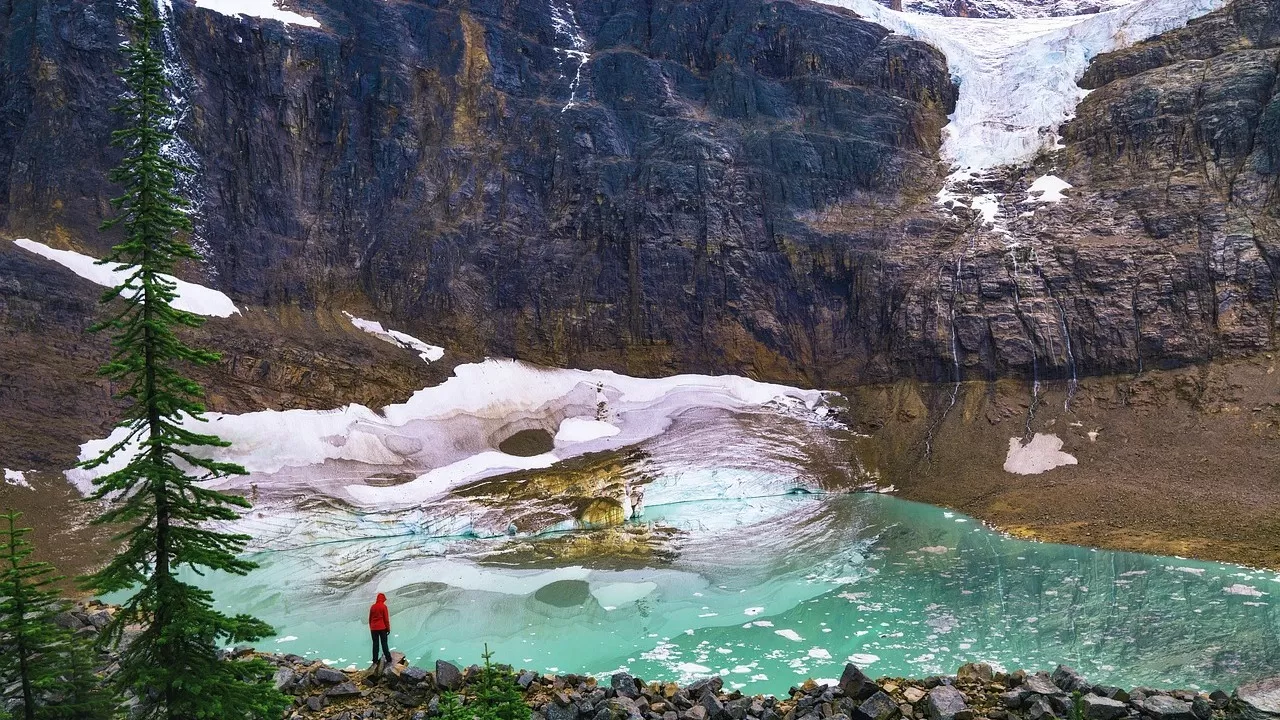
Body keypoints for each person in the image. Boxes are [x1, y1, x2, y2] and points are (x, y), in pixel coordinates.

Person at [368, 592, 393, 666]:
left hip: (373, 629)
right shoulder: (383, 607)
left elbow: (370, 619)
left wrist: (371, 627)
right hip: (382, 628)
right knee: (384, 643)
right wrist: (388, 629)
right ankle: (388, 659)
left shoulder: (372, 607)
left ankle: (375, 660)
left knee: (375, 644)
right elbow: (386, 620)